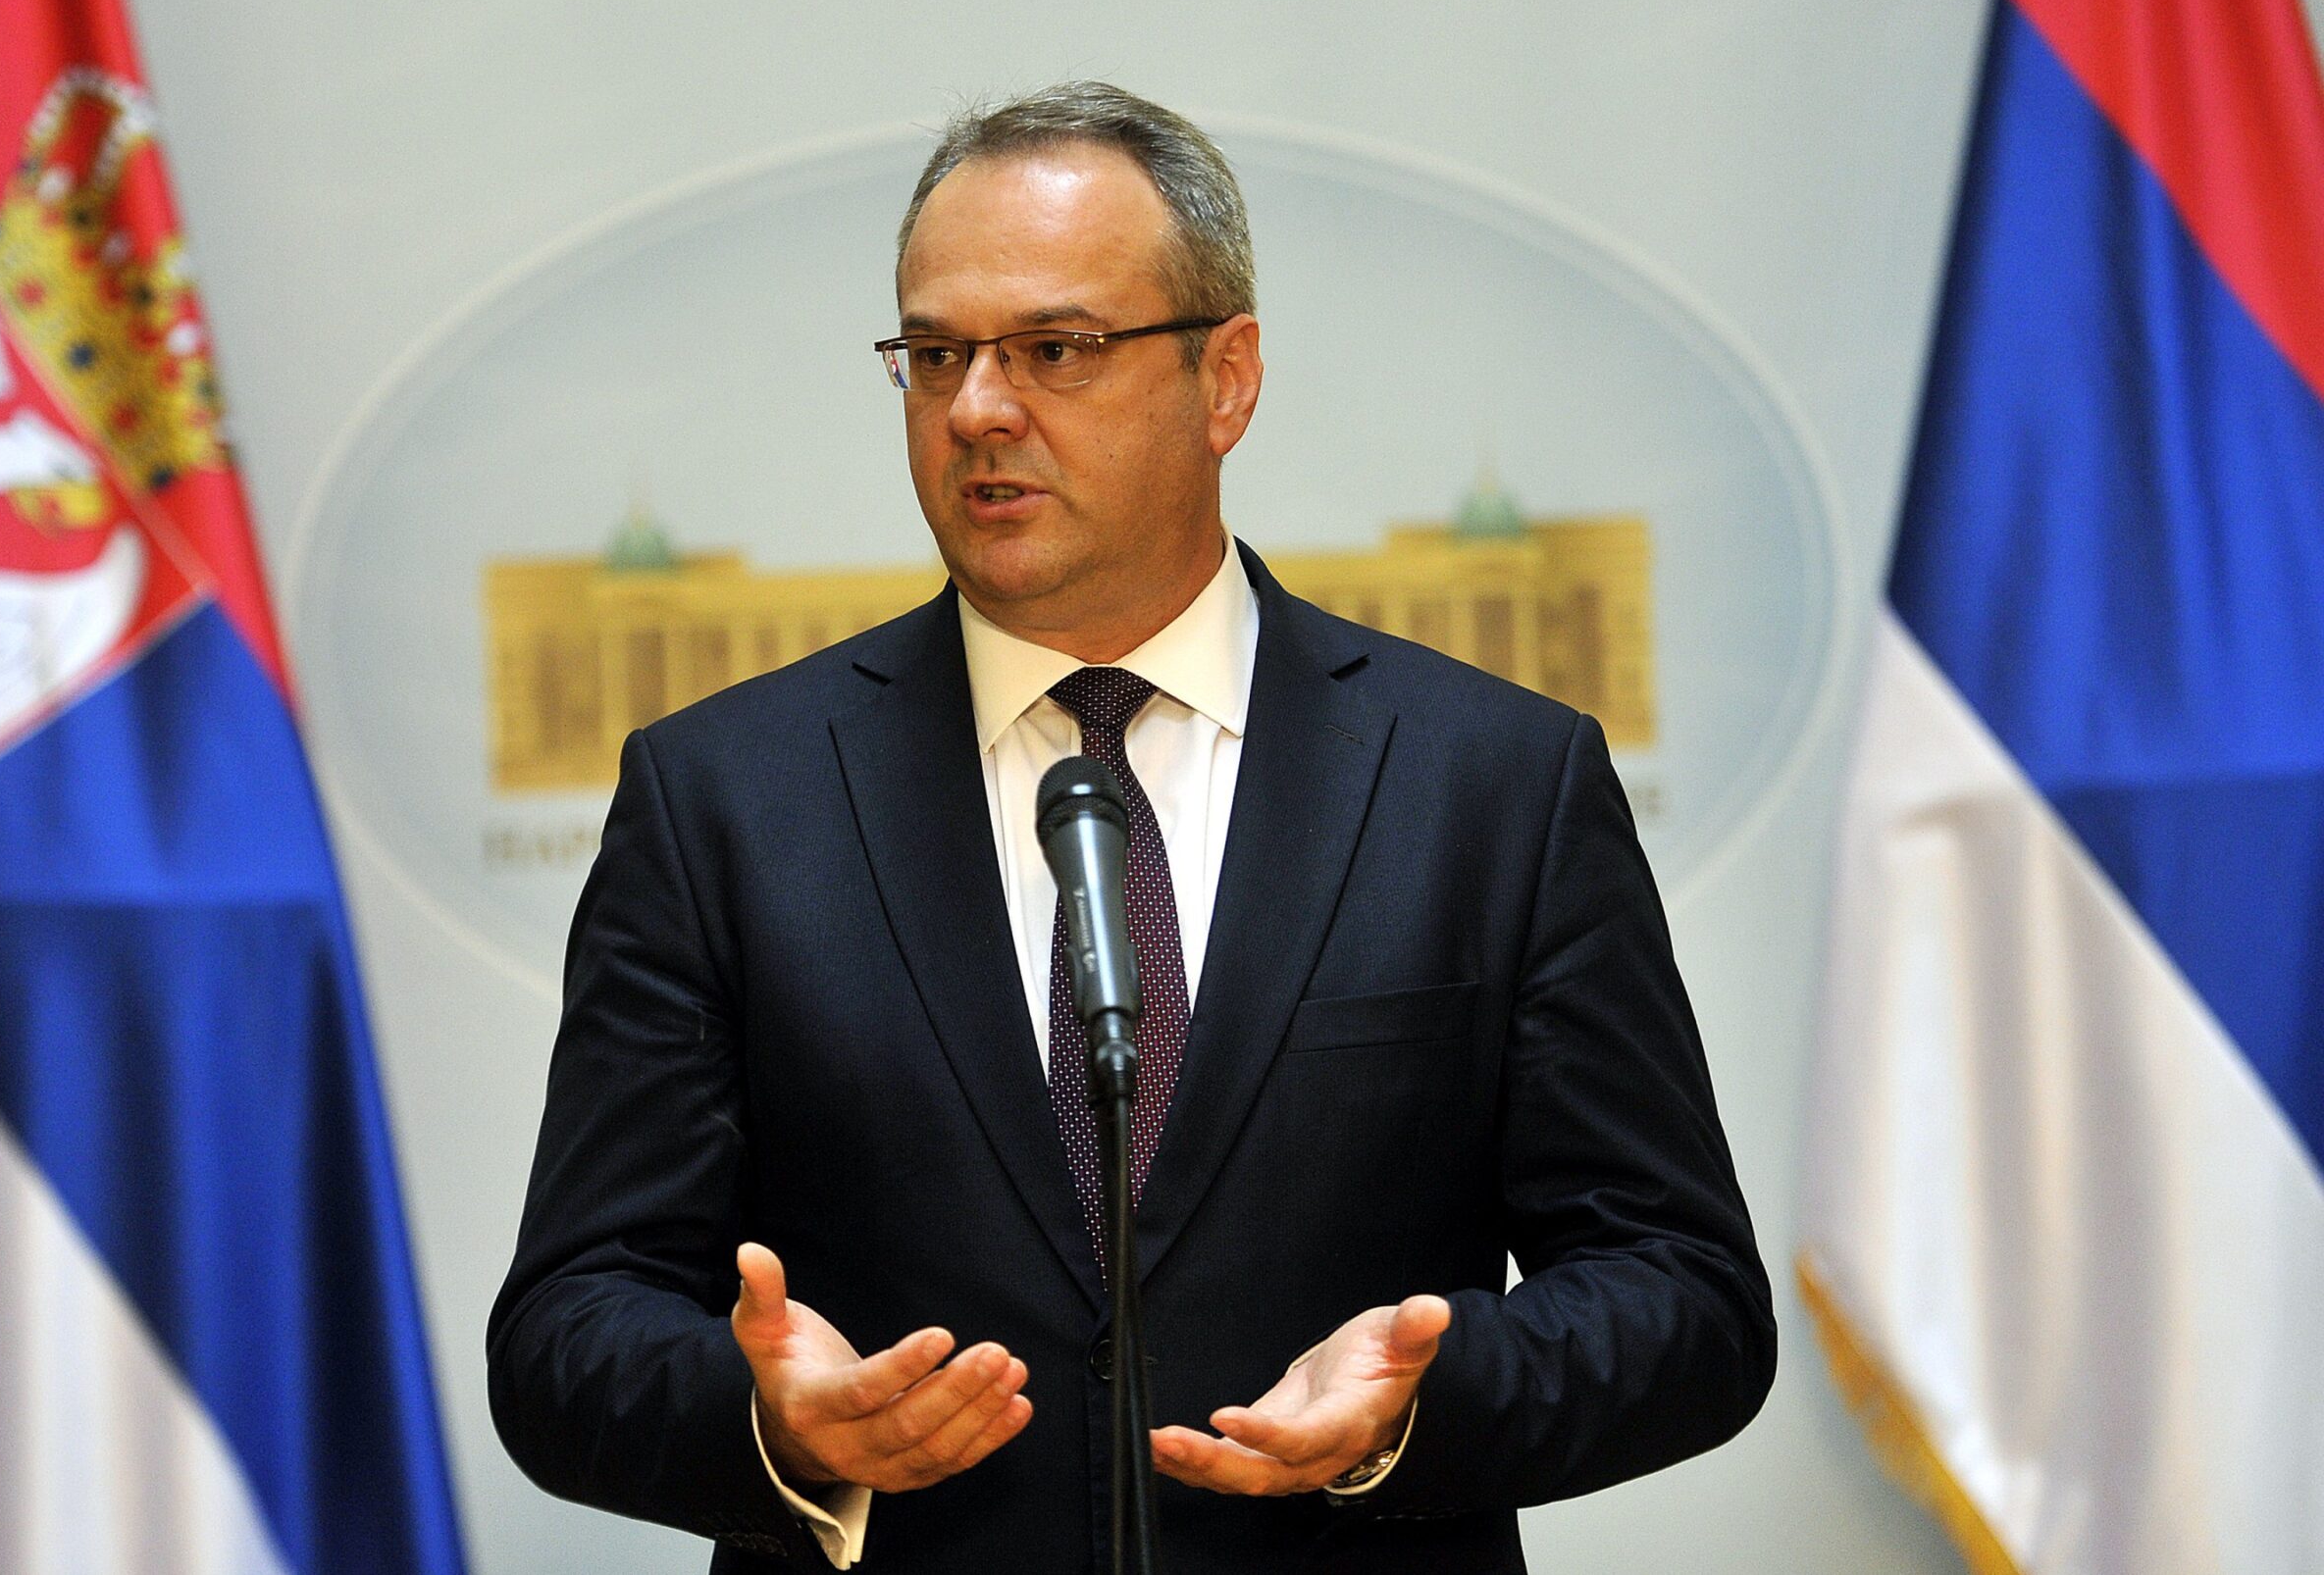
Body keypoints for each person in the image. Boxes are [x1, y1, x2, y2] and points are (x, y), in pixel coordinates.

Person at [489, 81, 1774, 1574]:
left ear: (1227, 381)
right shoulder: (724, 797)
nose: (977, 409)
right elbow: (567, 1326)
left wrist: (1429, 1403)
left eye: (1057, 349)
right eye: (935, 354)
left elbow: (1684, 1293)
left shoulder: (1491, 783)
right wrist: (776, 1422)